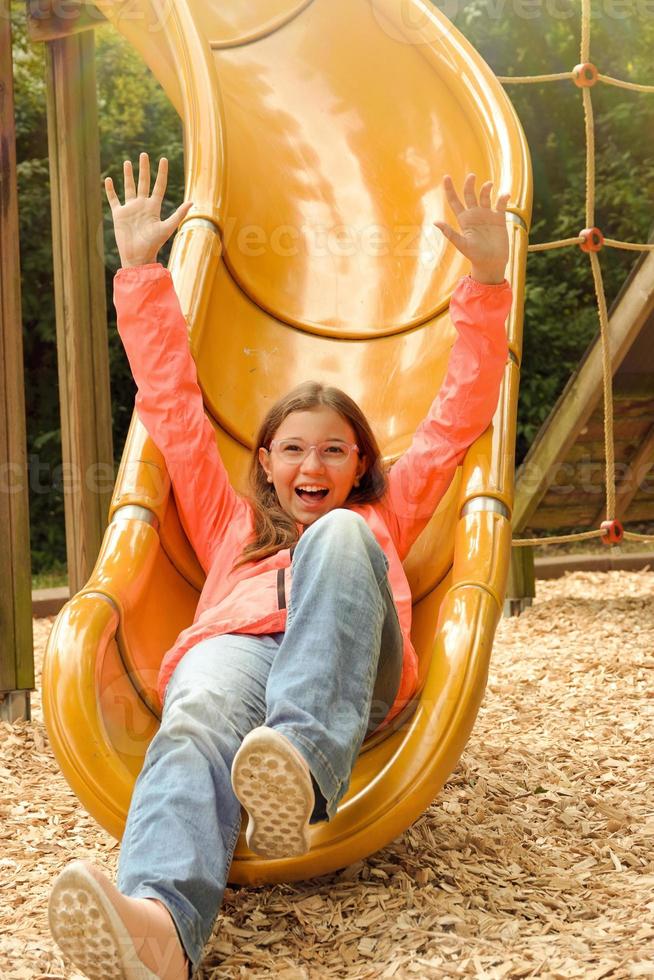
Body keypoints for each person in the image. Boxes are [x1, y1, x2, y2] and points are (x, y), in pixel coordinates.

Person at [48, 153, 512, 980]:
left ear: (361, 460)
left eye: (335, 450)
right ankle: (160, 926)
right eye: (294, 448)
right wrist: (139, 269)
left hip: (346, 672)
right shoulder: (227, 518)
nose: (313, 464)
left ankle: (303, 763)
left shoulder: (376, 514)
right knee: (192, 718)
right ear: (263, 462)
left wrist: (485, 278)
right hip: (243, 657)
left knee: (338, 539)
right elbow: (172, 404)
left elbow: (460, 409)